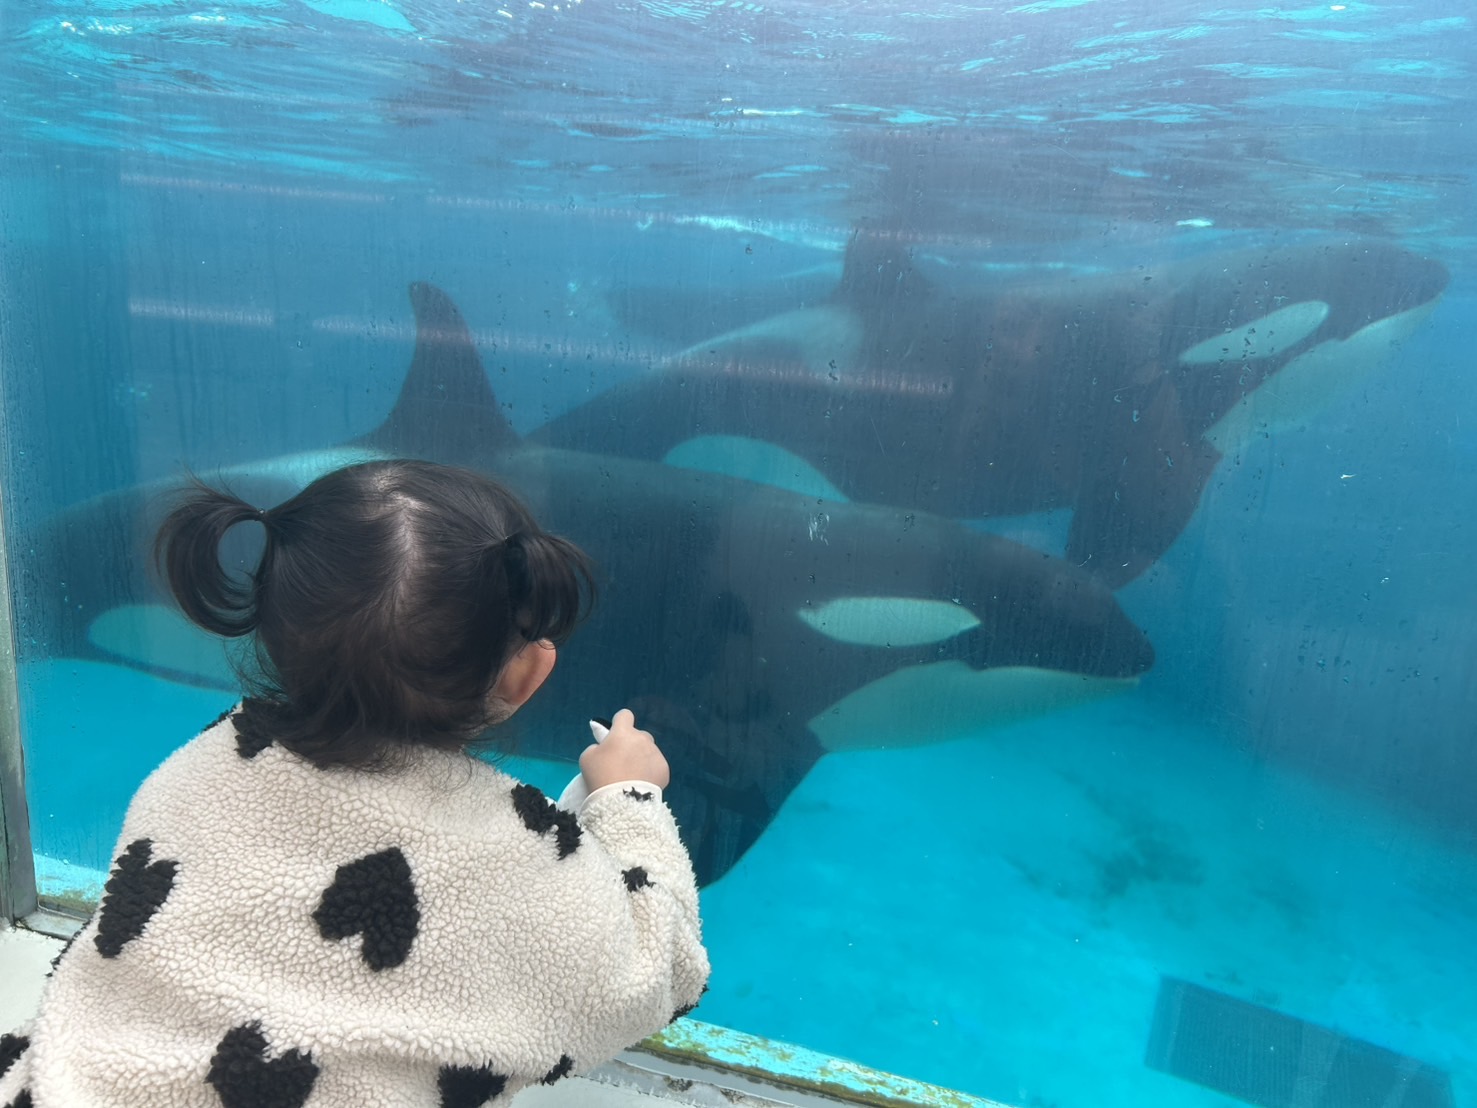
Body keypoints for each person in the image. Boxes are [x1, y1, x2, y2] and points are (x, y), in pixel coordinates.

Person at [0, 458, 709, 1108]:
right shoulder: (514, 863)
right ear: (528, 673)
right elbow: (662, 972)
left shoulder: (199, 769)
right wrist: (629, 799)